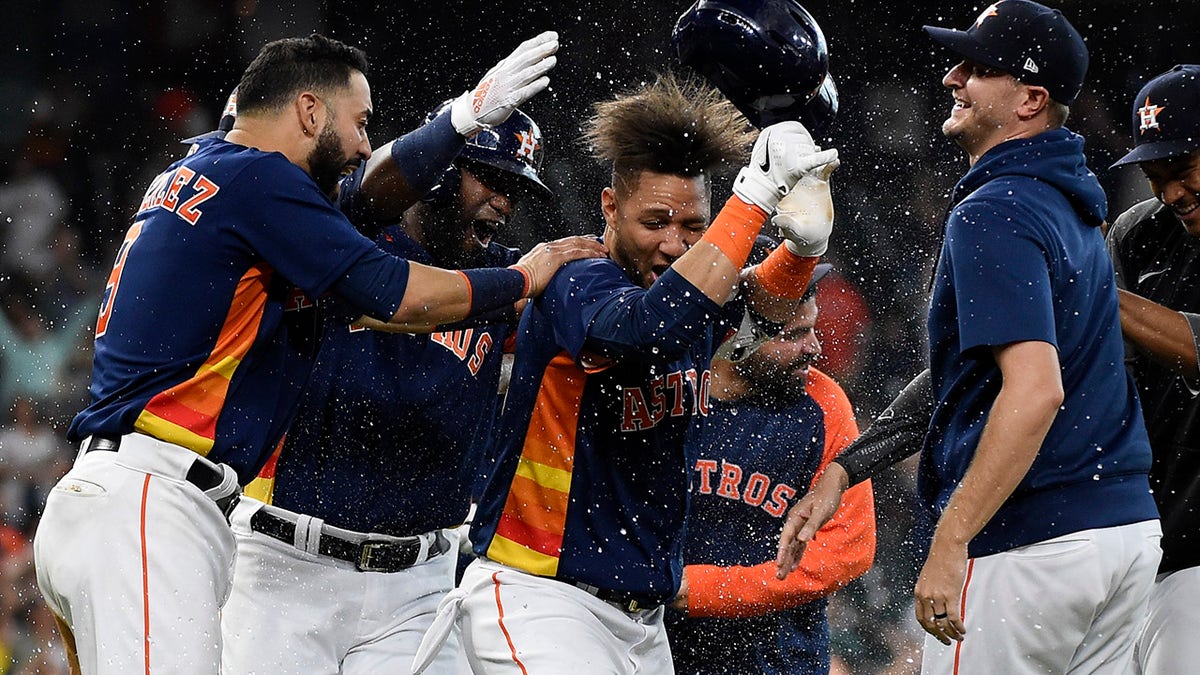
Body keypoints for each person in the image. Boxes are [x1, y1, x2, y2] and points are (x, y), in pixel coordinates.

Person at [30, 32, 603, 675]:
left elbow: (358, 199)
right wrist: (525, 277)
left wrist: (458, 121)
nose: (364, 144)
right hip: (157, 507)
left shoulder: (213, 172)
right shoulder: (259, 179)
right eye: (359, 123)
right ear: (308, 111)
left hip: (124, 498)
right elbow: (391, 289)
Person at [778, 2, 1160, 673]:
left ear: (1030, 100)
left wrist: (951, 539)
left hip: (1032, 542)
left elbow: (1035, 391)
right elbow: (968, 371)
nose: (952, 77)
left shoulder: (996, 207)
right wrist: (848, 465)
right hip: (1121, 536)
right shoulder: (1072, 202)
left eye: (979, 68)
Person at [433, 72, 839, 674]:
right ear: (610, 207)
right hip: (540, 597)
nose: (675, 245)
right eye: (655, 223)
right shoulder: (578, 279)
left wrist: (800, 252)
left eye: (693, 226)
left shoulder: (689, 290)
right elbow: (645, 329)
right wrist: (752, 199)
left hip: (643, 624)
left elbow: (763, 305)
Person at [220, 104, 553, 675]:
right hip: (286, 567)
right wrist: (458, 124)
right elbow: (373, 188)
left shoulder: (509, 277)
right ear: (445, 171)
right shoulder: (346, 240)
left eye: (515, 188)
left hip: (418, 587)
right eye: (492, 179)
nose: (504, 201)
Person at [665, 253, 875, 675]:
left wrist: (701, 591)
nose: (815, 348)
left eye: (812, 328)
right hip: (655, 649)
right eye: (795, 334)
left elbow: (847, 551)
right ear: (736, 336)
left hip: (778, 659)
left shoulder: (823, 403)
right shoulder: (671, 391)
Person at [1106, 63, 1200, 675]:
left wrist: (1086, 283)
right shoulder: (1140, 234)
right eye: (1154, 175)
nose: (1170, 192)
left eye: (1183, 170)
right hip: (1143, 545)